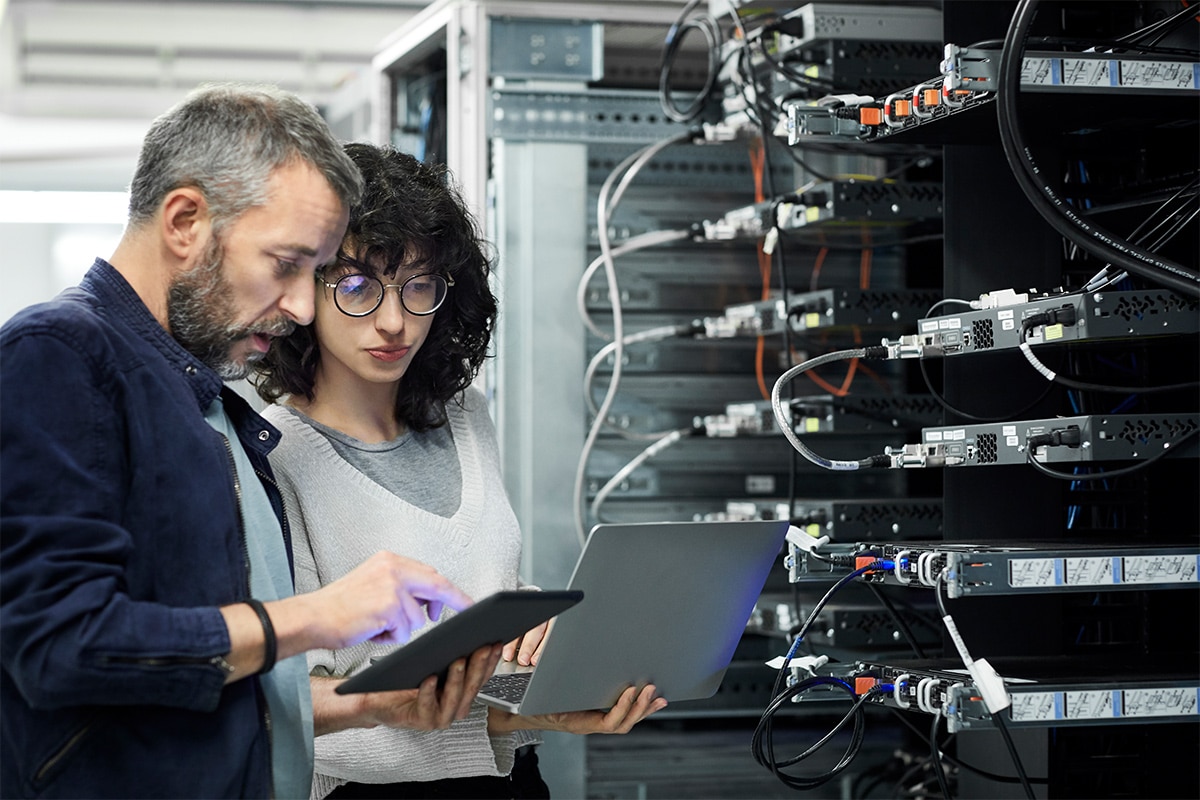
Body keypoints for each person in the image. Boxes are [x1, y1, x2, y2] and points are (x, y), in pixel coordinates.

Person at [0, 84, 500, 800]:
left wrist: (369, 703)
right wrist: (320, 616)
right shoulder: (58, 354)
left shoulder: (197, 395)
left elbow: (198, 682)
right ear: (184, 221)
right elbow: (58, 647)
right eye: (287, 264)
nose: (301, 307)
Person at [251, 143, 668, 799]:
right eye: (358, 286)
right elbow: (296, 711)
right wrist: (514, 720)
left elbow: (483, 583)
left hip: (514, 782)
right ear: (302, 289)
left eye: (419, 285)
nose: (395, 321)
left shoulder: (466, 417)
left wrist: (532, 629)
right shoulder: (273, 454)